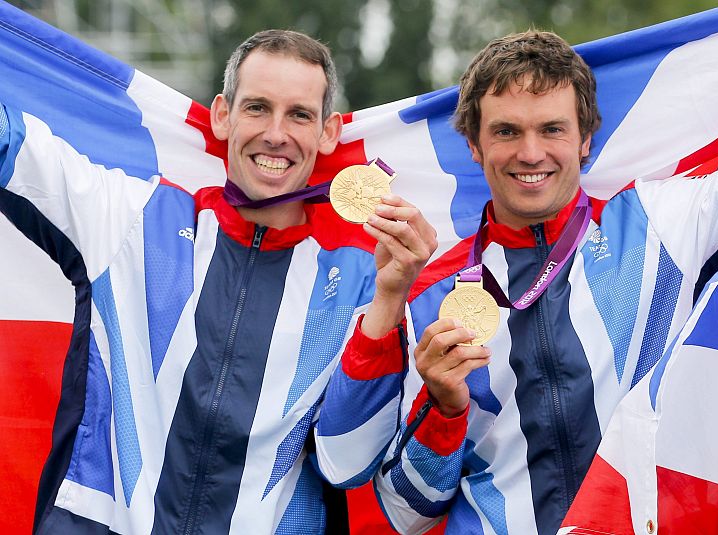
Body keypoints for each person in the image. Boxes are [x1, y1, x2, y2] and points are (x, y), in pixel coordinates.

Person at [0, 30, 435, 533]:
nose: (276, 133)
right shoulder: (131, 219)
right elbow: (14, 144)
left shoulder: (362, 281)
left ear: (329, 132)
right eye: (257, 108)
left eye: (299, 114)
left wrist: (388, 299)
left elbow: (347, 463)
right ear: (222, 116)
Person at [370, 30, 718, 534]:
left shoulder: (662, 224)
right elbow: (406, 515)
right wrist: (443, 412)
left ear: (586, 138)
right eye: (507, 131)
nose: (531, 154)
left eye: (552, 129)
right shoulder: (431, 299)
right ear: (474, 145)